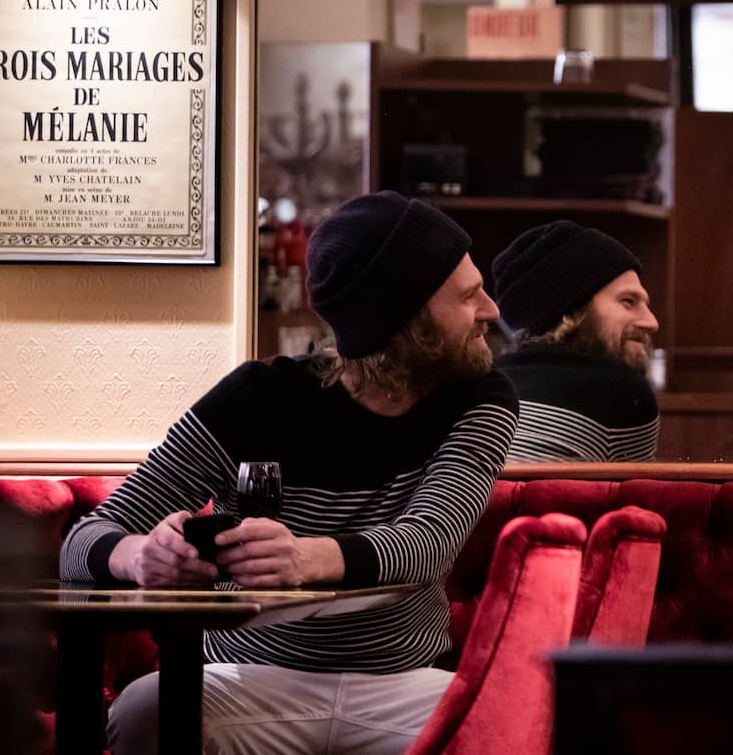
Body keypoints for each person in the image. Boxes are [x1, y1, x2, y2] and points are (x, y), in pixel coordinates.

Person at [60, 191, 519, 754]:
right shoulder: (257, 397)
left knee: (512, 724)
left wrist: (304, 557)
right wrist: (139, 555)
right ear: (405, 321)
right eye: (469, 296)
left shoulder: (482, 397)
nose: (493, 310)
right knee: (142, 709)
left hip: (399, 686)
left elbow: (430, 543)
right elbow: (81, 543)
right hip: (250, 679)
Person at [491, 220, 661, 462]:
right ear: (573, 312)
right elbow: (641, 495)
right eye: (628, 301)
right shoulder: (623, 392)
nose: (652, 322)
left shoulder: (484, 384)